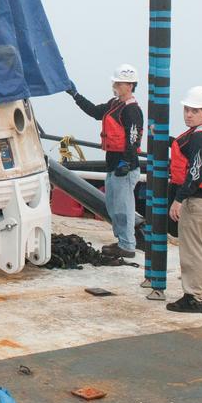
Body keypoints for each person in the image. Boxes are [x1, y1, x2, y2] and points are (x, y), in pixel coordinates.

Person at [66, 65, 143, 258]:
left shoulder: (132, 110)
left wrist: (125, 163)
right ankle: (122, 241)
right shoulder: (114, 104)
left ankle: (127, 245)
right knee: (112, 206)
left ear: (130, 85)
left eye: (119, 82)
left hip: (123, 167)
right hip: (112, 163)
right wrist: (75, 95)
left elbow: (133, 139)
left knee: (124, 208)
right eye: (115, 82)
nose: (115, 85)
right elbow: (94, 111)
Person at [166, 85, 202, 313]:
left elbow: (195, 173)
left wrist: (179, 200)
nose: (189, 114)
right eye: (187, 110)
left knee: (193, 251)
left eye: (195, 111)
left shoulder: (200, 139)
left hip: (197, 202)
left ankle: (194, 298)